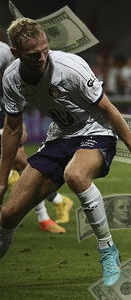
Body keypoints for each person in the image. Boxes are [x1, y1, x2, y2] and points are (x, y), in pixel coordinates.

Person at [0, 18, 131, 286]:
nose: (41, 57)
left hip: (96, 130)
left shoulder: (69, 67)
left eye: (45, 49)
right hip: (60, 137)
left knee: (75, 175)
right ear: (15, 53)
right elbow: (13, 129)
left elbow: (110, 111)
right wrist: (2, 179)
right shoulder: (12, 79)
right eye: (33, 54)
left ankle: (108, 250)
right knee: (8, 214)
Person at [0, 40, 73, 233]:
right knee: (17, 164)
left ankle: (47, 214)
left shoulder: (3, 52)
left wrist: (18, 121)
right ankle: (55, 205)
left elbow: (14, 85)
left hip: (3, 115)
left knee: (20, 161)